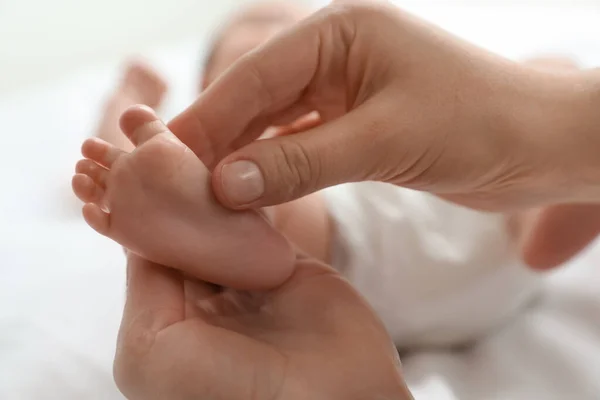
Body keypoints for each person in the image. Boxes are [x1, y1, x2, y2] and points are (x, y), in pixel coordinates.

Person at [74, 0, 600, 399]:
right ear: (210, 82)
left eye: (293, 25)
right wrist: (128, 107)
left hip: (458, 229)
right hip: (408, 271)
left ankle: (553, 197)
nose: (279, 33)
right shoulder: (218, 133)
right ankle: (231, 228)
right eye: (256, 32)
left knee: (548, 68)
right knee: (237, 177)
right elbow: (116, 158)